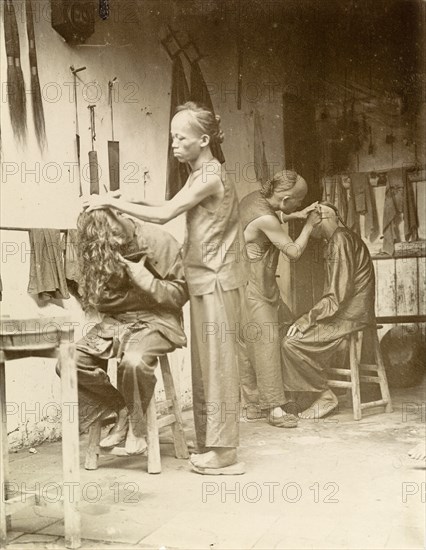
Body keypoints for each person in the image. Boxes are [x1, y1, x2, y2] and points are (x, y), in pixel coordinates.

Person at [84, 102, 247, 475]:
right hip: (205, 279)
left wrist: (108, 200)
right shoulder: (197, 173)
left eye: (181, 137)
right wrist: (127, 199)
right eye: (172, 136)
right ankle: (211, 443)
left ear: (204, 140)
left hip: (219, 279)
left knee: (219, 364)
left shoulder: (211, 175)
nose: (173, 143)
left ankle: (226, 453)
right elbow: (167, 203)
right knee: (206, 365)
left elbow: (166, 214)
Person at [67, 209, 188, 454]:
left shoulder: (158, 240)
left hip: (158, 320)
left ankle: (136, 426)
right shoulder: (98, 248)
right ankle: (123, 410)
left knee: (133, 361)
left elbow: (181, 294)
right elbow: (98, 302)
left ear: (121, 217)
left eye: (113, 234)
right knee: (68, 361)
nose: (113, 244)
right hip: (115, 322)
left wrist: (148, 282)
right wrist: (138, 296)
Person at [240, 170, 320, 427]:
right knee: (266, 344)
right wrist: (308, 225)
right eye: (297, 201)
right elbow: (293, 252)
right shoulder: (267, 218)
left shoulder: (256, 198)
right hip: (252, 288)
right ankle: (274, 410)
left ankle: (253, 406)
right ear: (284, 199)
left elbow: (272, 215)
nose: (300, 204)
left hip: (254, 285)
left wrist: (294, 215)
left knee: (251, 342)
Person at [281, 202, 376, 419]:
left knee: (290, 343)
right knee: (293, 336)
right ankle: (314, 393)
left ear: (321, 218)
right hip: (351, 314)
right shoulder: (342, 238)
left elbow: (336, 297)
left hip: (351, 317)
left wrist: (306, 319)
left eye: (311, 221)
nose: (310, 226)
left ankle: (324, 395)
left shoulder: (340, 239)